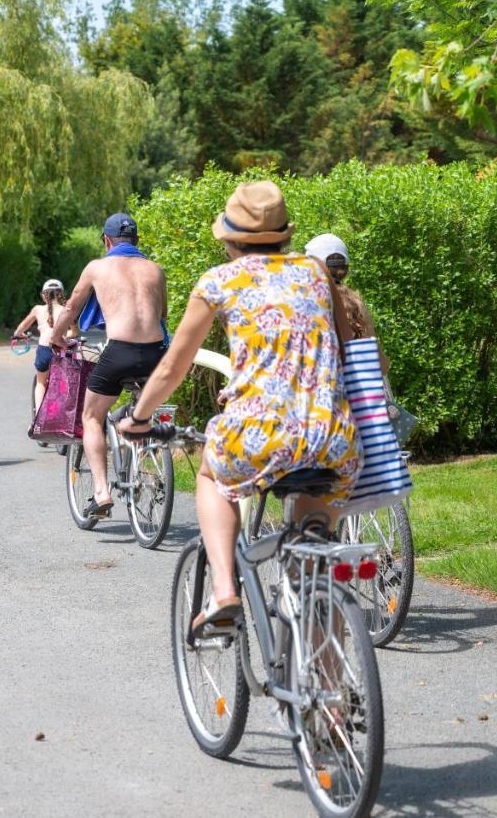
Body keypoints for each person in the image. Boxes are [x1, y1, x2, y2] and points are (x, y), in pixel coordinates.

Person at [119, 181, 359, 634]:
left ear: (230, 239)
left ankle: (224, 591)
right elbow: (348, 352)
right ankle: (331, 697)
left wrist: (140, 416)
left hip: (258, 434)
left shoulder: (219, 281)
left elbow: (174, 366)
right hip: (332, 435)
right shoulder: (315, 273)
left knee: (212, 475)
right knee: (312, 566)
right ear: (286, 234)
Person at [50, 212, 167, 519]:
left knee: (91, 415)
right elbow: (162, 315)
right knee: (142, 410)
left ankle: (101, 492)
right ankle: (141, 450)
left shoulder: (97, 267)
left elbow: (72, 307)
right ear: (137, 240)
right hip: (156, 354)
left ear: (106, 240)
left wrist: (57, 337)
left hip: (119, 351)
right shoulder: (156, 269)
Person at [304, 233, 388, 375]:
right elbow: (382, 366)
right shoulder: (357, 305)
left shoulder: (307, 303)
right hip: (357, 392)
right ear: (345, 269)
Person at [12, 279, 75, 412]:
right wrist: (66, 335)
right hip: (62, 349)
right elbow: (74, 331)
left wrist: (18, 334)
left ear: (43, 295)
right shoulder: (67, 310)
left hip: (44, 350)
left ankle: (39, 417)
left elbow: (23, 326)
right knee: (67, 381)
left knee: (41, 382)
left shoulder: (37, 309)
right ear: (61, 294)